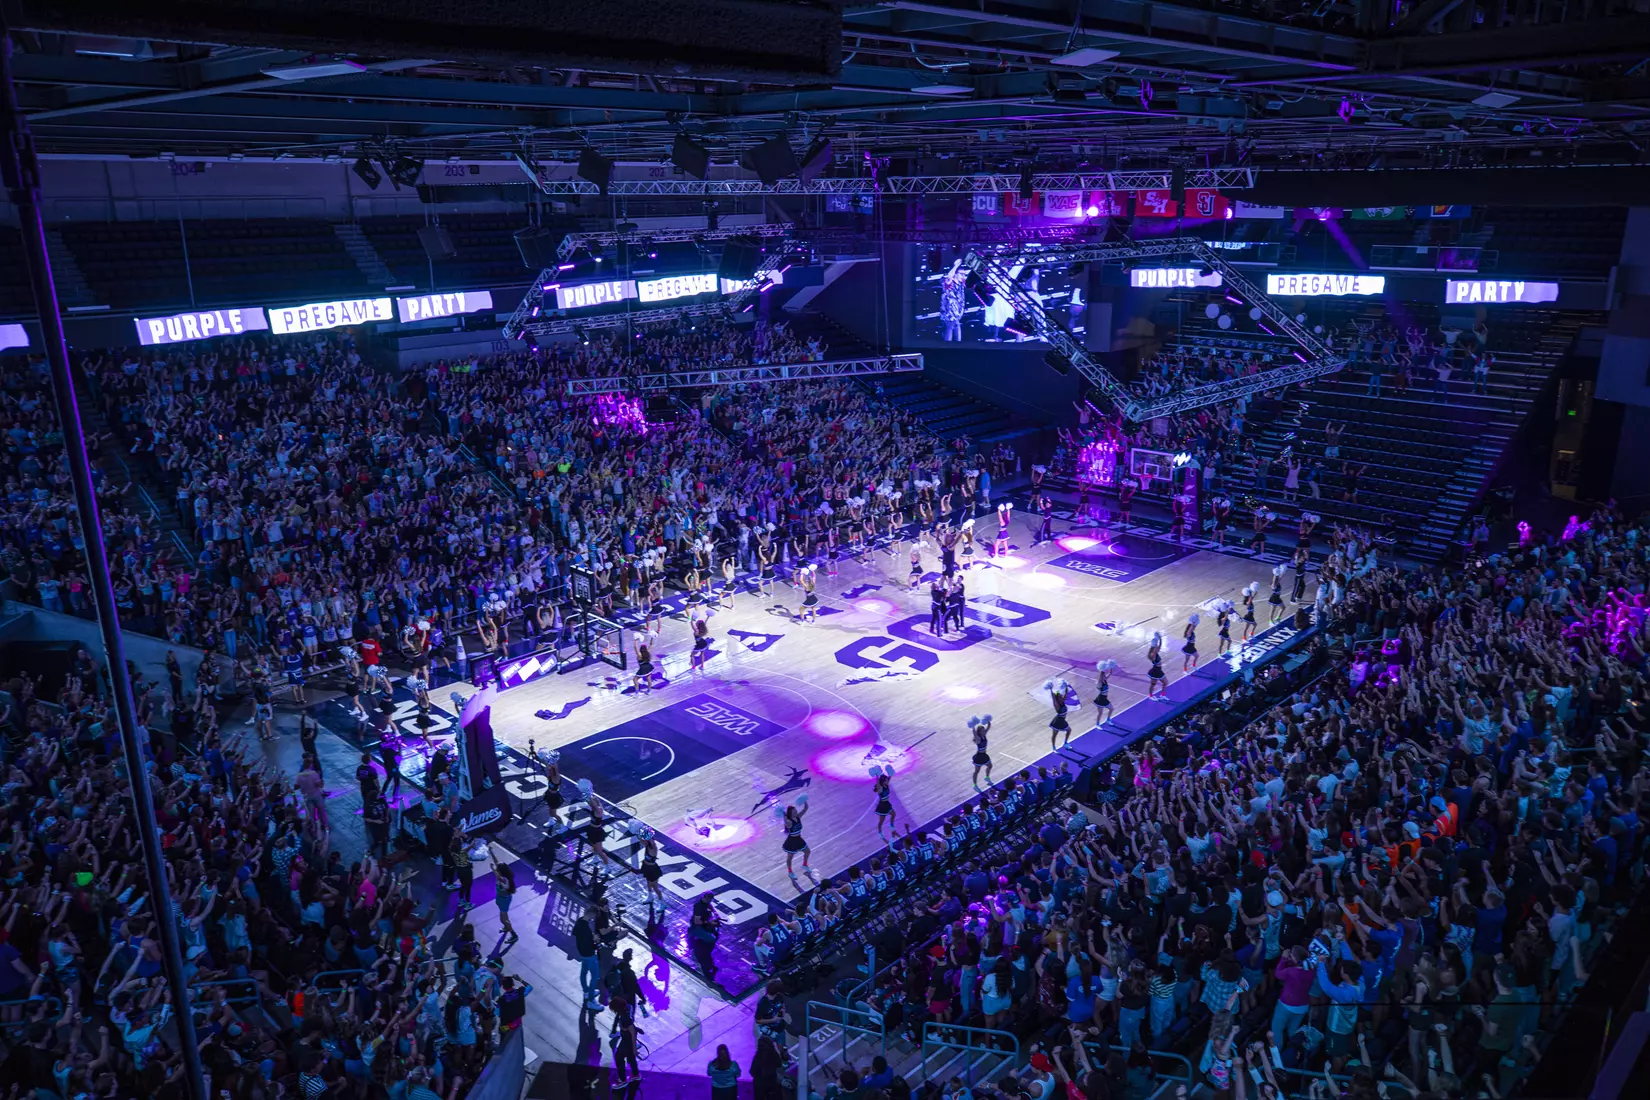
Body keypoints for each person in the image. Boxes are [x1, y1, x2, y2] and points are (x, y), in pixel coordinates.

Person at [494, 860, 518, 940]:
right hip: (501, 899)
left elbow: (504, 885)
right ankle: (506, 927)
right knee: (504, 918)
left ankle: (513, 935)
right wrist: (492, 853)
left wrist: (493, 870)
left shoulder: (504, 880)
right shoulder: (505, 876)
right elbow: (496, 863)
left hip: (503, 901)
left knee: (503, 919)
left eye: (497, 869)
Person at [969, 714, 993, 787]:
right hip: (979, 757)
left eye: (984, 730)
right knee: (977, 771)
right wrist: (973, 726)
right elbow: (974, 733)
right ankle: (975, 785)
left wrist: (988, 720)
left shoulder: (984, 735)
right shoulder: (978, 738)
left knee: (990, 766)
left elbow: (988, 727)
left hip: (984, 755)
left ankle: (987, 777)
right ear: (979, 732)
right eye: (982, 731)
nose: (984, 731)